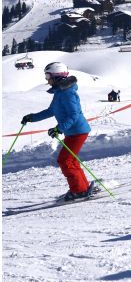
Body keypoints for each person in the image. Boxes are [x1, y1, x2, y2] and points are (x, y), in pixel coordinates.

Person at [21, 62, 96, 201]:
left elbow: (74, 115)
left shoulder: (67, 93)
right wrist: (32, 117)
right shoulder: (60, 92)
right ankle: (82, 187)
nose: (46, 79)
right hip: (73, 132)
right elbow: (51, 111)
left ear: (56, 76)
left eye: (48, 76)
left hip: (78, 131)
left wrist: (59, 128)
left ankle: (79, 190)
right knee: (70, 161)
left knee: (65, 160)